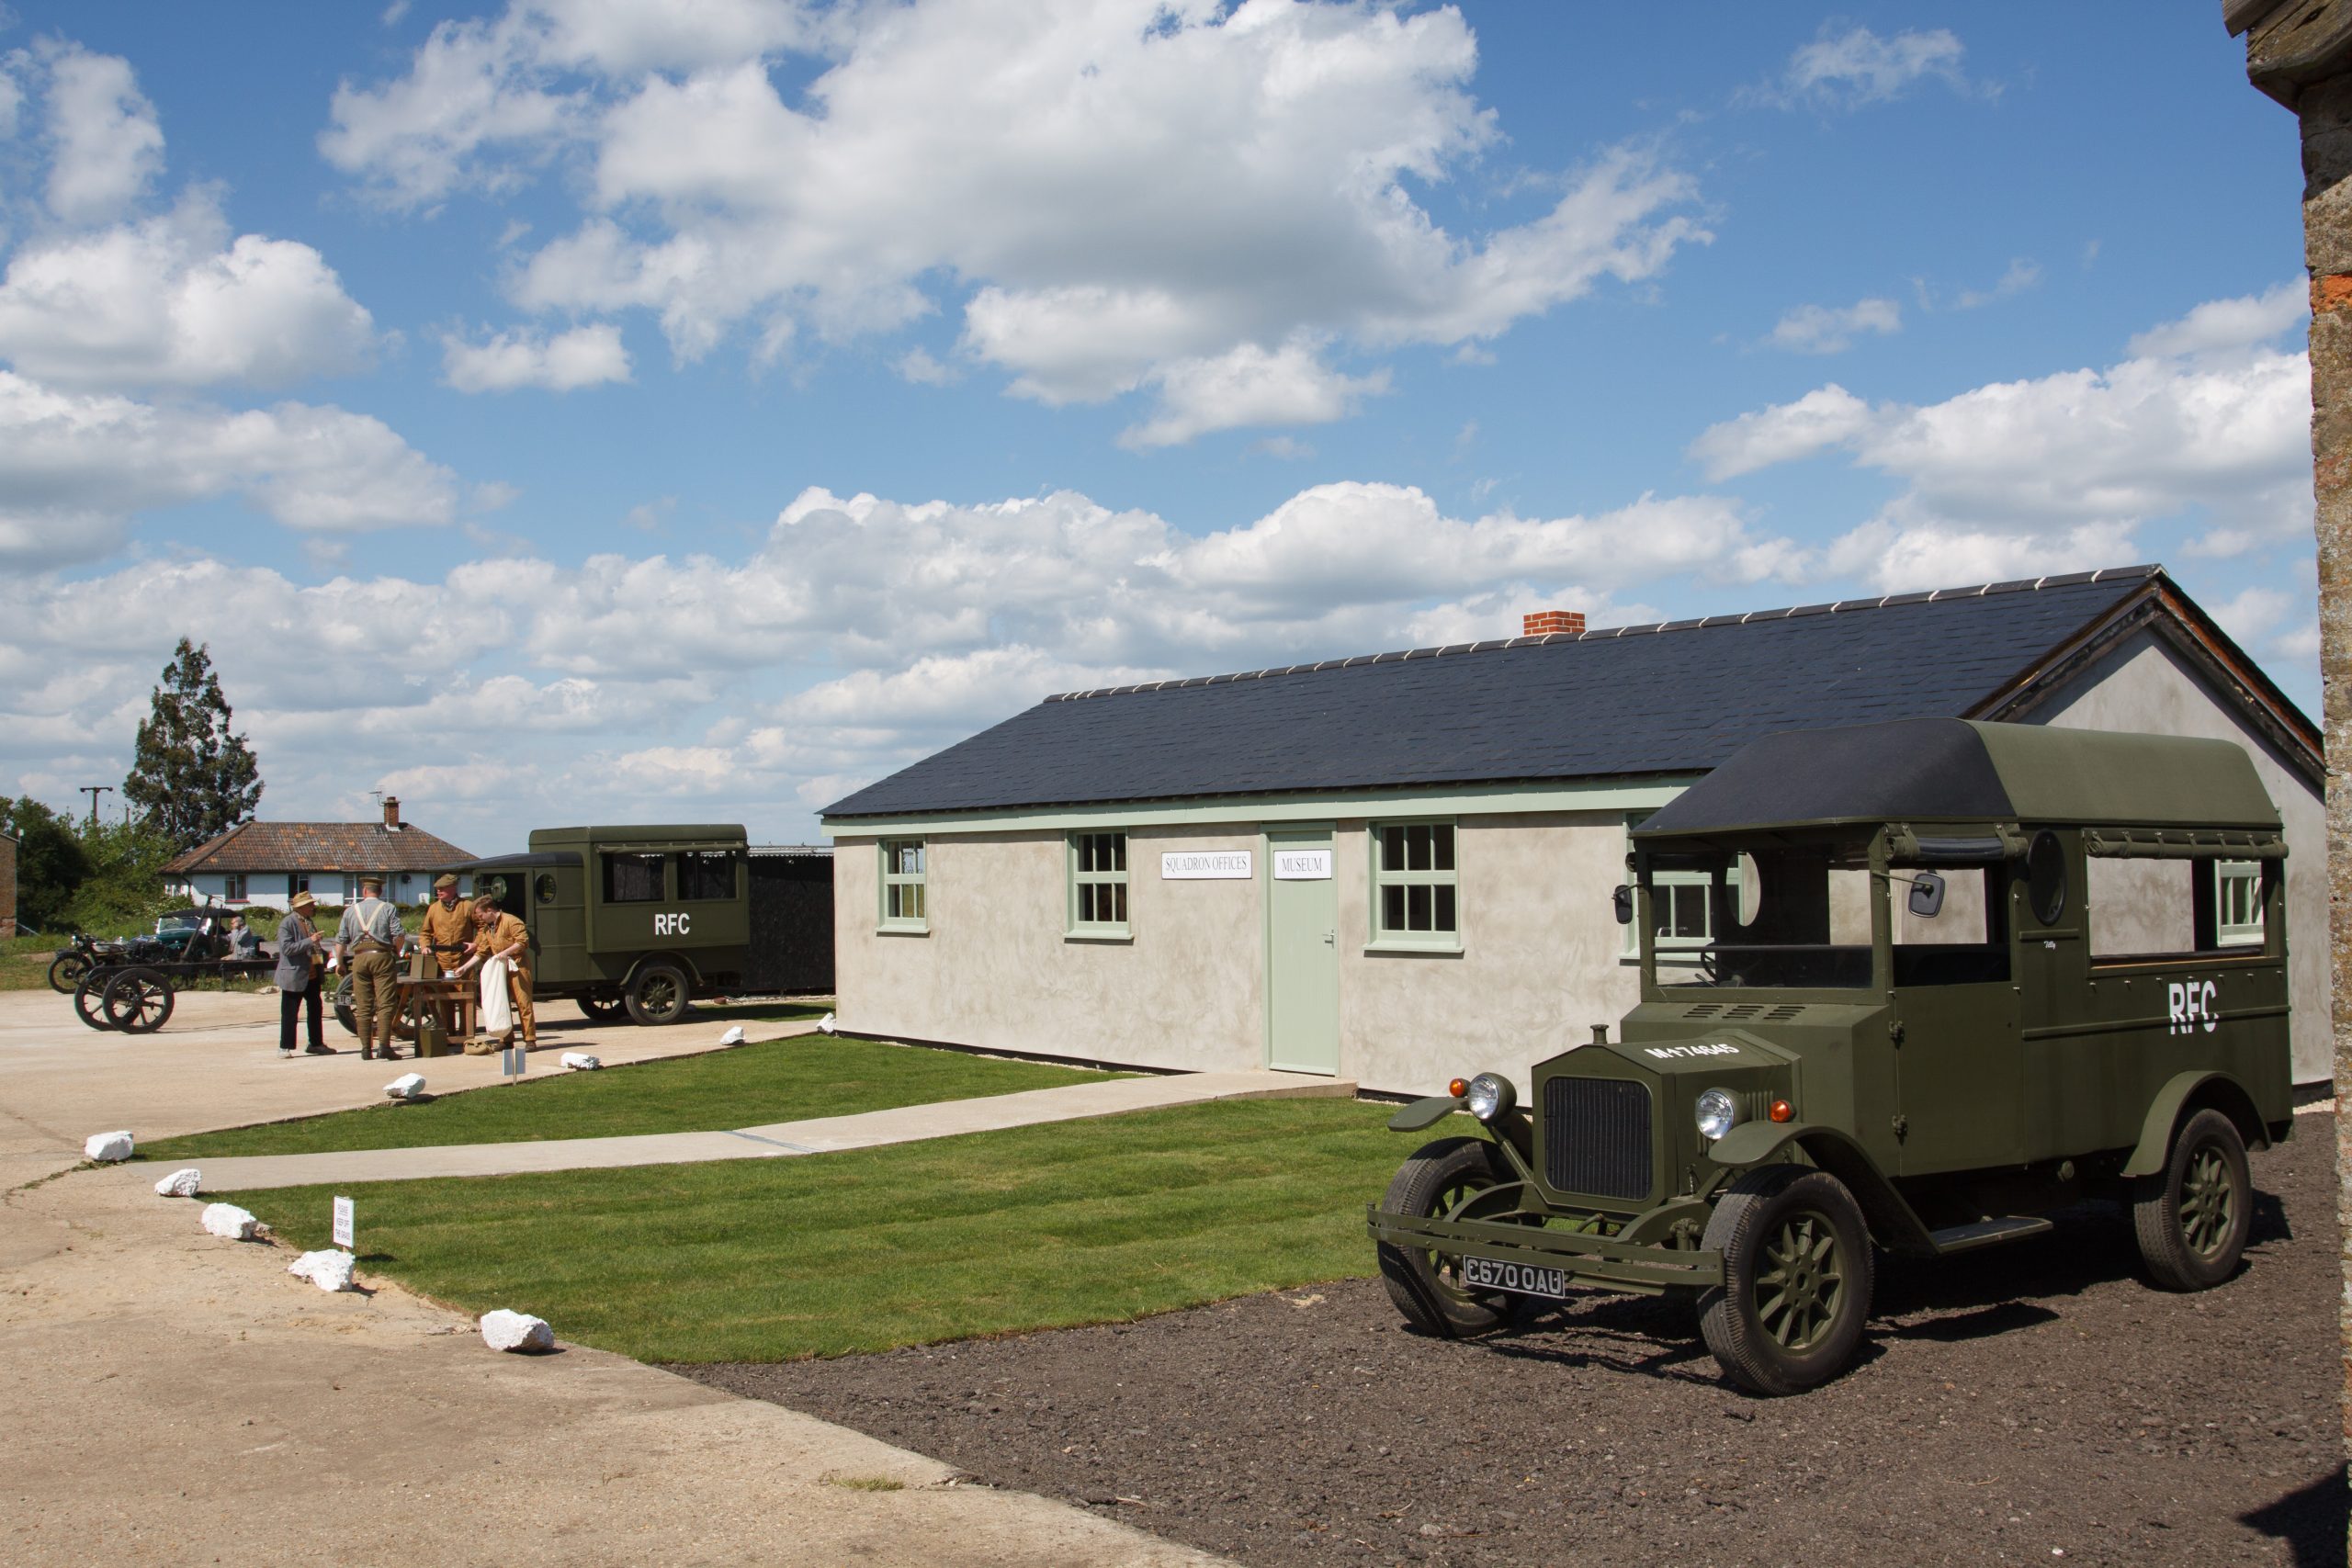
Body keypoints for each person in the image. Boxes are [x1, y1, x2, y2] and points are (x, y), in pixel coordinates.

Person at [335, 874, 407, 1061]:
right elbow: (399, 935)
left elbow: (341, 940)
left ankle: (366, 1049)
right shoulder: (388, 908)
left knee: (363, 1005)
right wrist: (396, 952)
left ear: (364, 891)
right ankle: (384, 1046)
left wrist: (340, 962)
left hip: (359, 958)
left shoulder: (350, 911)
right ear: (380, 891)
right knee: (385, 1003)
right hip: (381, 956)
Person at [470, 895, 536, 1049]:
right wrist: (465, 967)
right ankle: (506, 1040)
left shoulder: (512, 921)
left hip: (518, 966)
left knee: (523, 1003)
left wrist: (505, 952)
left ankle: (530, 1039)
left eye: (481, 915)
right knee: (501, 1003)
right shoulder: (488, 928)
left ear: (489, 910)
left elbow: (522, 942)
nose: (480, 919)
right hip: (500, 969)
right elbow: (482, 951)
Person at [274, 893, 329, 1055]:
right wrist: (310, 940)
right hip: (294, 975)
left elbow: (313, 947)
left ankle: (316, 1043)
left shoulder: (308, 922)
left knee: (315, 1009)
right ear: (301, 907)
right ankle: (285, 1047)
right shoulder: (287, 923)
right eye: (310, 904)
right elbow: (287, 949)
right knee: (290, 1012)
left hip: (311, 974)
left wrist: (326, 954)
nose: (313, 907)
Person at [416, 873, 472, 1032]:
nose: (438, 892)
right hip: (441, 960)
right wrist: (425, 946)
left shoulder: (467, 906)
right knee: (445, 999)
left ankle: (467, 1036)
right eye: (437, 889)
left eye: (442, 888)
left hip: (463, 959)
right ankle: (448, 1034)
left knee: (466, 1000)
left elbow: (482, 928)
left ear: (453, 888)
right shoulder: (433, 909)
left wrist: (476, 944)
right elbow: (425, 932)